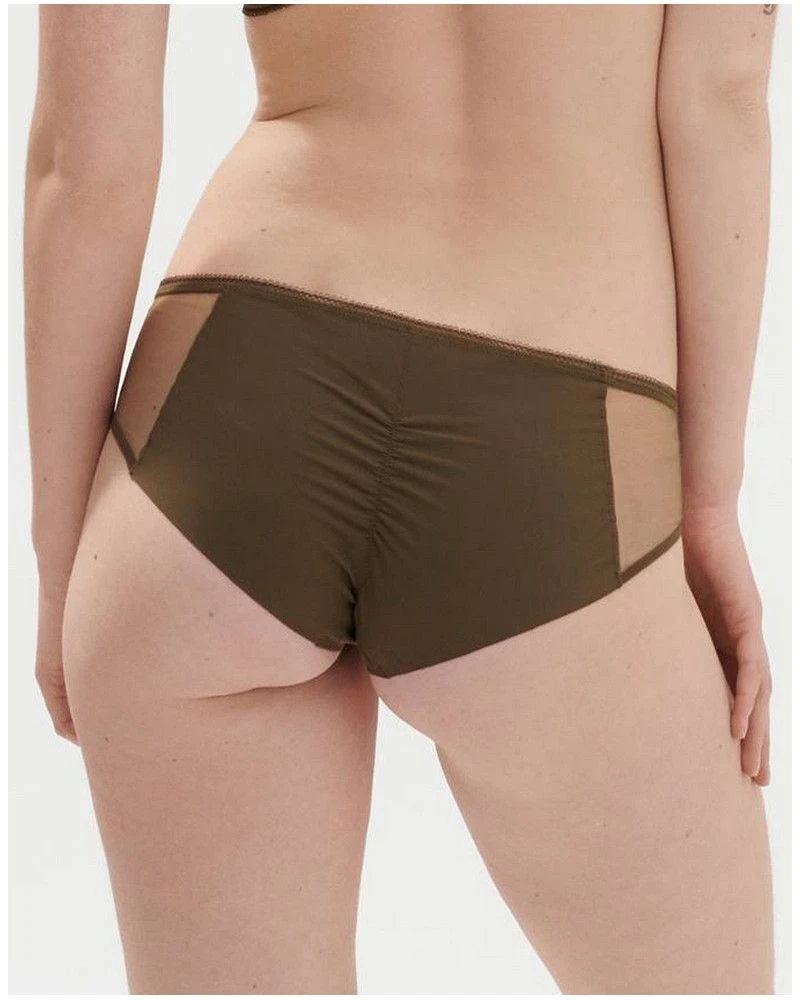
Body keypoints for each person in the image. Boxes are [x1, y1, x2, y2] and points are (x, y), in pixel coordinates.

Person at [24, 4, 777, 994]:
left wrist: (62, 559)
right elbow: (718, 96)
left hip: (225, 406)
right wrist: (708, 500)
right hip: (549, 439)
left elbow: (84, 164)